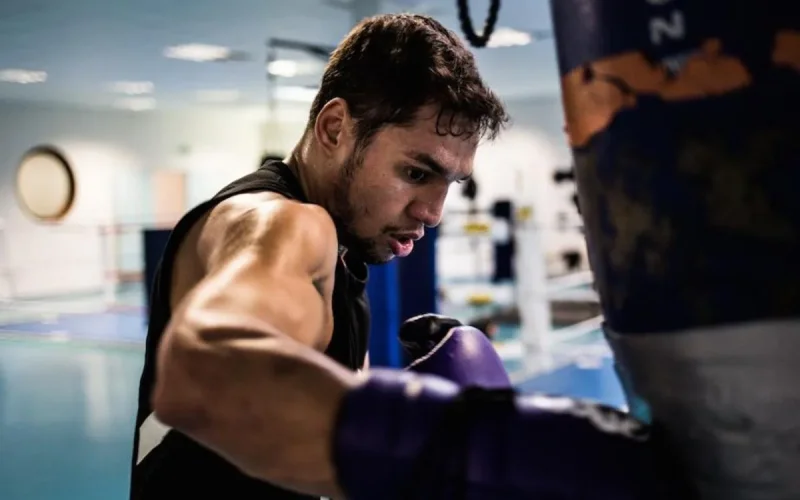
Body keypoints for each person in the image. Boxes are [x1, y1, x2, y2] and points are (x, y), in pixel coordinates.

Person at [130, 13, 509, 500]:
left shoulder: (345, 255)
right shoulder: (285, 224)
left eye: (449, 184)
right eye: (416, 173)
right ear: (334, 128)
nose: (433, 212)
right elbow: (203, 374)